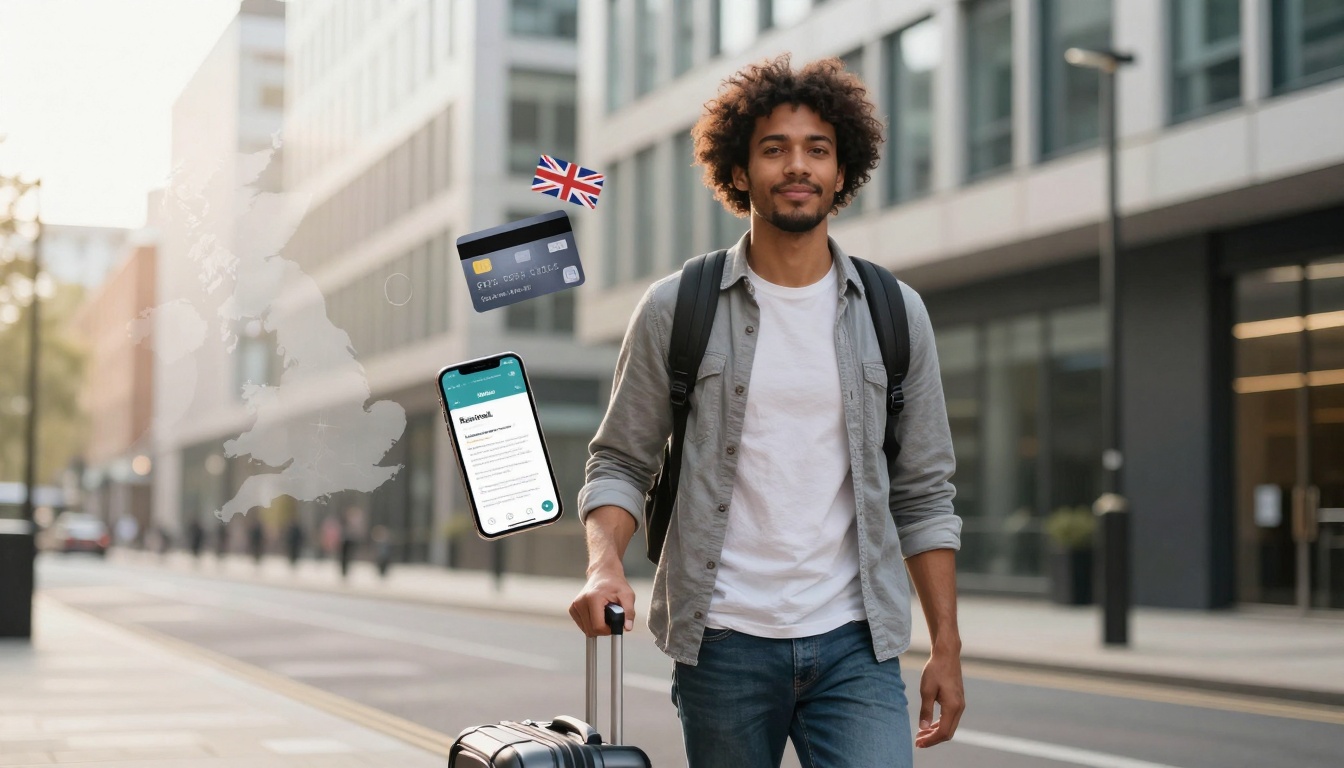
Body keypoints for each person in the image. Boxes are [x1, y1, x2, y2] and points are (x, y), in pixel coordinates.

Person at [569, 55, 964, 768]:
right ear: (740, 170)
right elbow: (620, 460)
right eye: (774, 149)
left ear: (842, 172)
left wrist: (946, 645)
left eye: (818, 149)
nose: (797, 166)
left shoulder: (893, 313)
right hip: (723, 643)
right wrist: (604, 566)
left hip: (855, 642)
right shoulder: (674, 309)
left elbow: (924, 490)